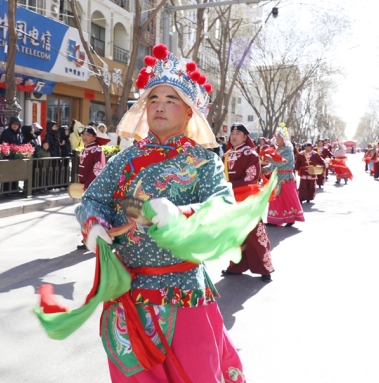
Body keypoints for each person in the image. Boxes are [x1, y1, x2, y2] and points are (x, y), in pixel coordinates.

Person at [71, 45, 246, 381]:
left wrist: (181, 213)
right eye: (153, 99)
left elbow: (222, 207)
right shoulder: (124, 160)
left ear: (189, 112)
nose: (160, 106)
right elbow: (93, 200)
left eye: (171, 100)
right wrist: (93, 225)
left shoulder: (204, 163)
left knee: (198, 374)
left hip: (185, 294)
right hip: (129, 295)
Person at [221, 123, 274, 282]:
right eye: (232, 132)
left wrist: (227, 186)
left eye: (238, 132)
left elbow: (250, 179)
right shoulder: (226, 155)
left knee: (255, 235)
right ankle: (235, 266)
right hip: (231, 202)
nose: (234, 135)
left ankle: (265, 268)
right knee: (234, 236)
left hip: (247, 201)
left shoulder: (251, 155)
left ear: (245, 137)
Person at [265, 124, 305, 226]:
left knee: (288, 198)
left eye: (278, 137)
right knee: (275, 199)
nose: (276, 139)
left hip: (286, 177)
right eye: (276, 137)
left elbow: (281, 162)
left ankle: (291, 218)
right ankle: (274, 219)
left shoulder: (288, 150)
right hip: (276, 178)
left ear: (283, 139)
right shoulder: (277, 150)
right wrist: (263, 169)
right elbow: (273, 165)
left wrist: (269, 158)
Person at [76, 125, 109, 195]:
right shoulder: (83, 150)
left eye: (88, 135)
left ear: (94, 138)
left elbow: (98, 170)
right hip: (83, 186)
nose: (84, 137)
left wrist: (88, 185)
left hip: (92, 187)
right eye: (83, 134)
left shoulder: (97, 151)